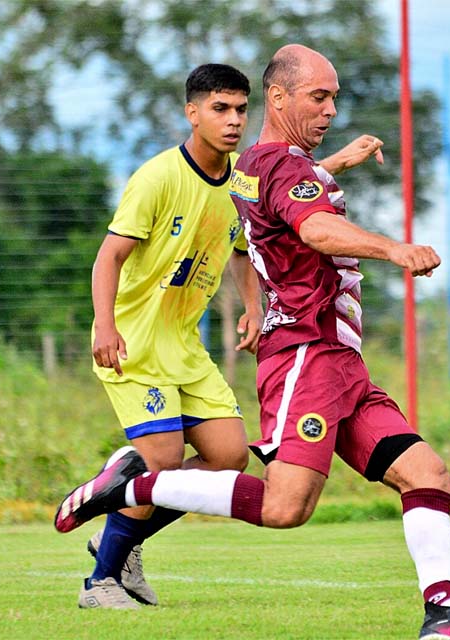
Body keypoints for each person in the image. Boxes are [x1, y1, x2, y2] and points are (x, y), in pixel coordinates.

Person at [57, 45, 450, 639]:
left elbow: (271, 214)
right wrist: (393, 248)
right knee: (285, 507)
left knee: (426, 473)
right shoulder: (262, 164)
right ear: (277, 99)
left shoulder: (257, 168)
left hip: (341, 362)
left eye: (334, 96)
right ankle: (134, 487)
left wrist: (336, 168)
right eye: (319, 96)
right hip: (304, 355)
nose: (331, 107)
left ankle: (445, 614)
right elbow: (312, 225)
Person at [80, 62, 387, 610]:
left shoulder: (241, 177)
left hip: (185, 349)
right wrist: (105, 325)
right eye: (220, 109)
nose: (233, 120)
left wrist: (252, 306)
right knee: (163, 461)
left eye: (241, 109)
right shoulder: (157, 177)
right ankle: (101, 582)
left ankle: (120, 533)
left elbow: (260, 231)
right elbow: (110, 256)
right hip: (136, 345)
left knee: (229, 457)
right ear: (191, 112)